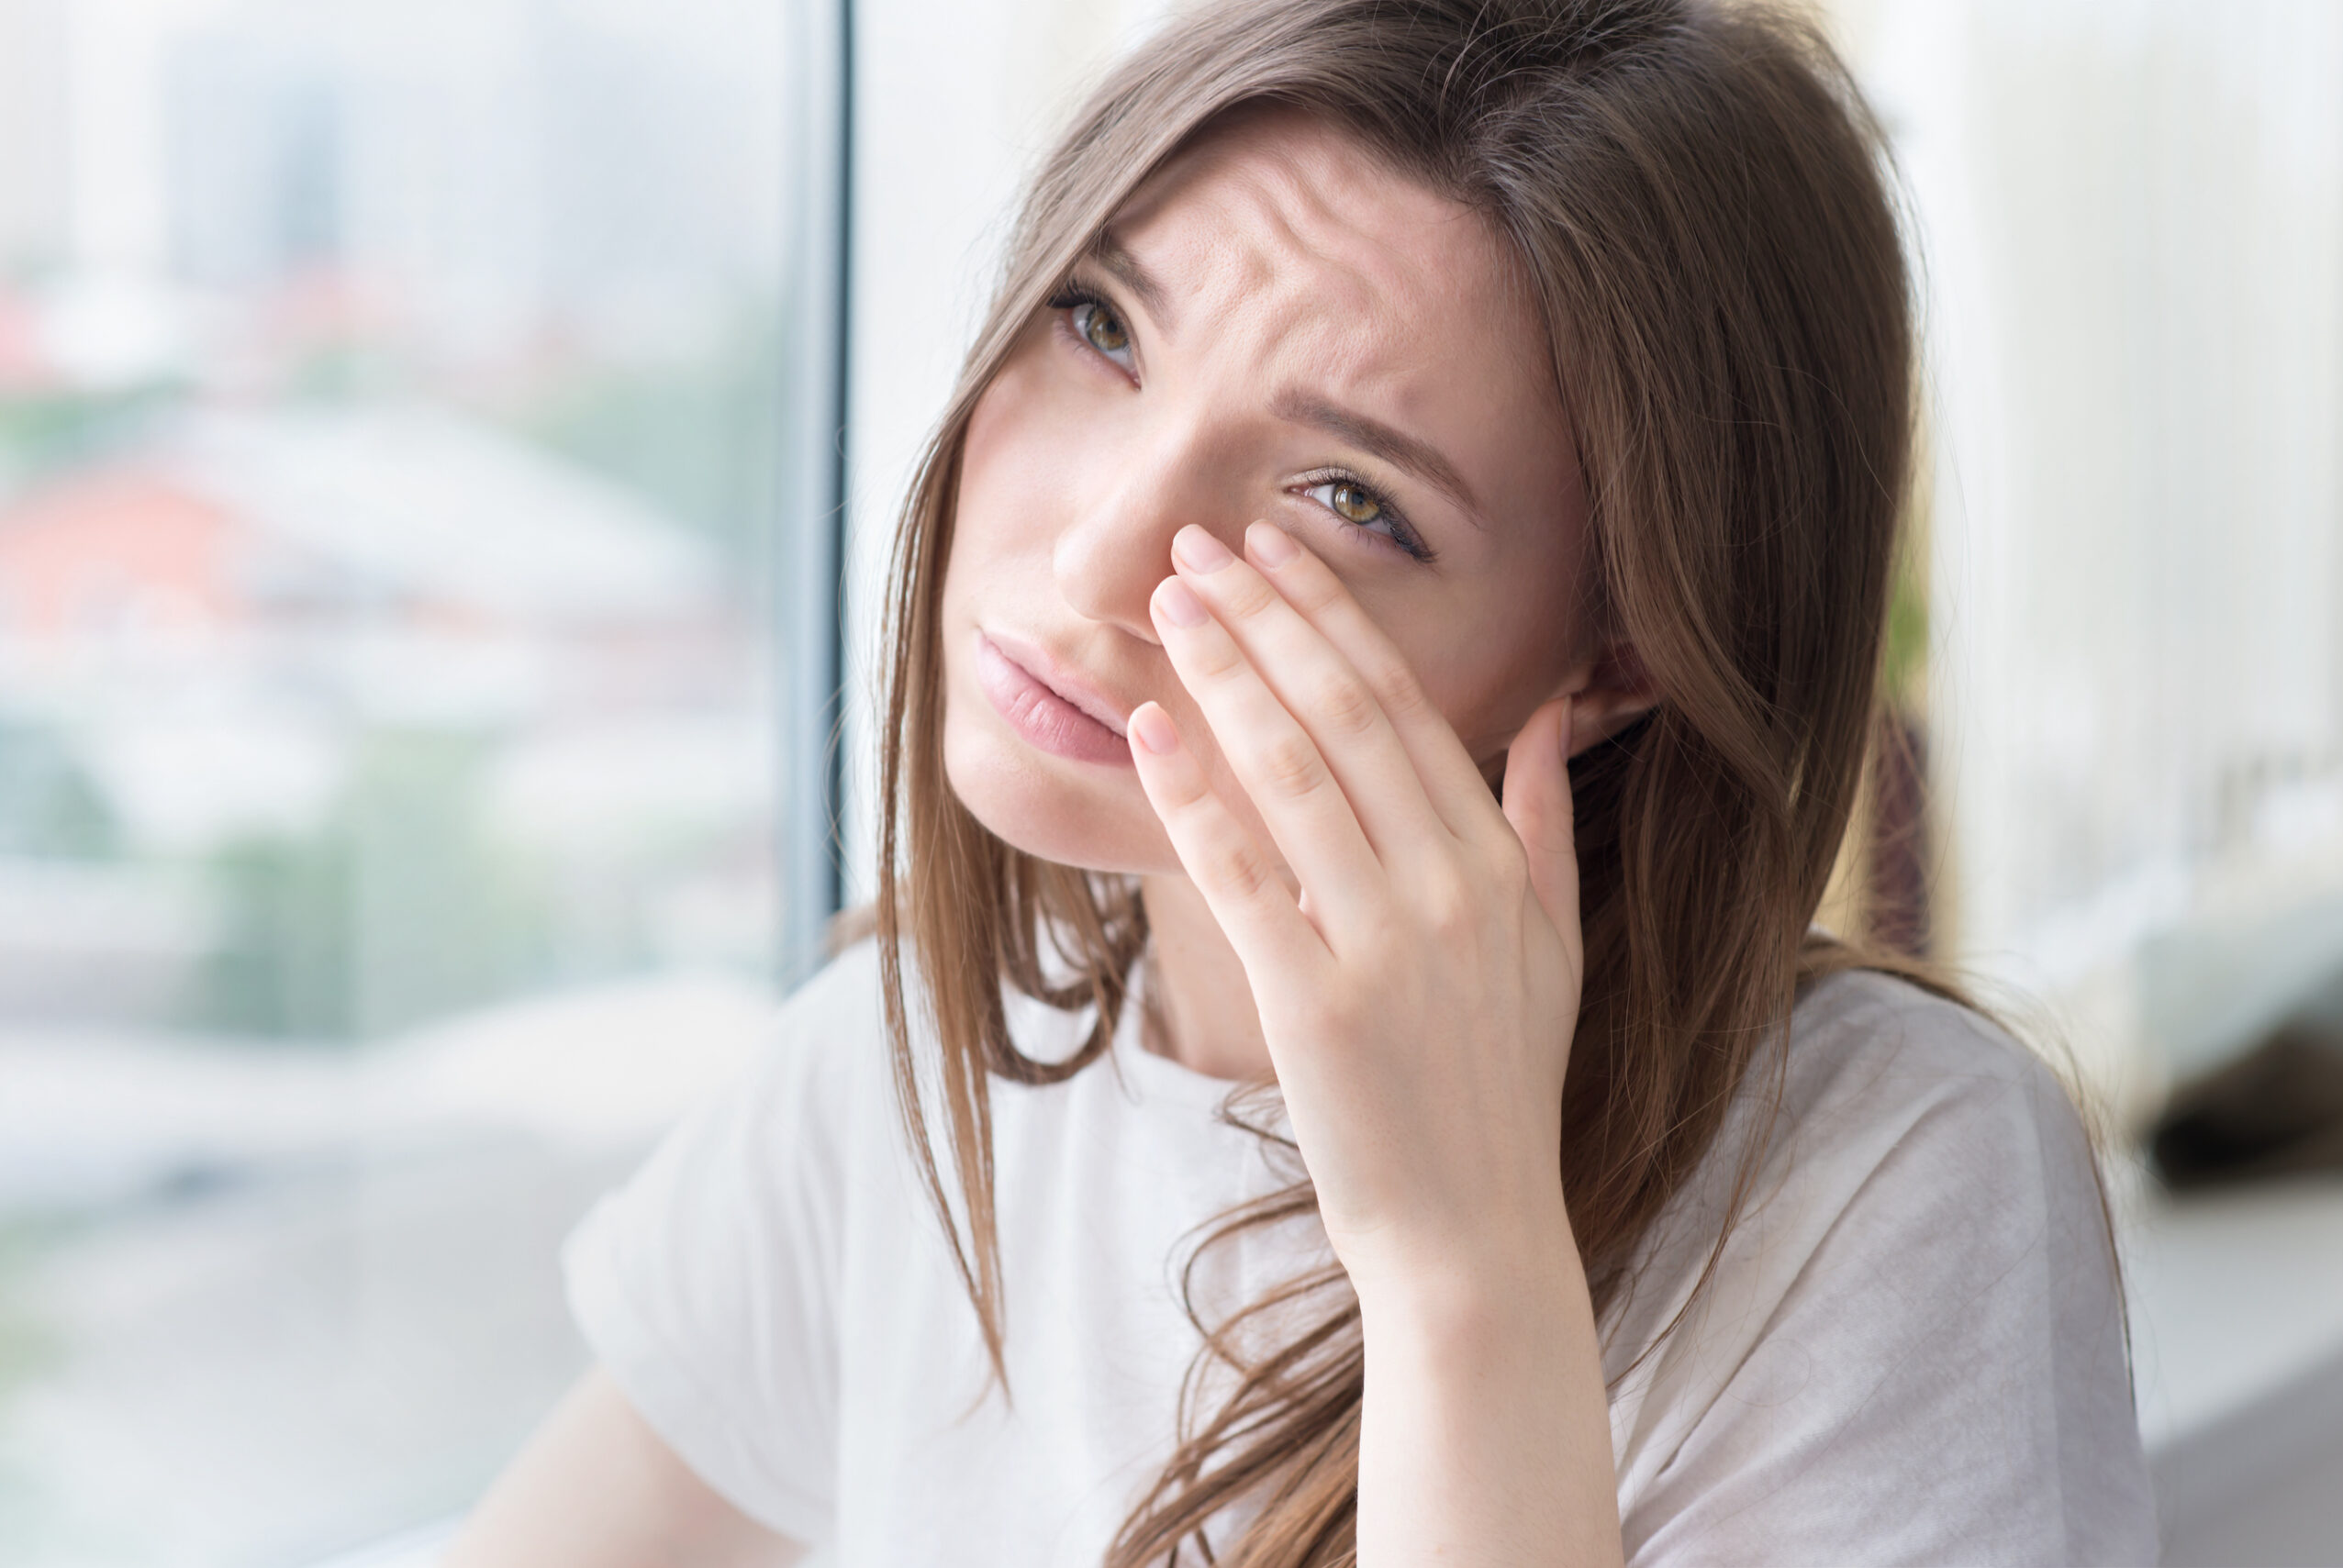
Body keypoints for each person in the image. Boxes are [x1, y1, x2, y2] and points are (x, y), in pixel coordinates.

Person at [449, 0, 2159, 1562]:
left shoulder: (1888, 1180)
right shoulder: (905, 1079)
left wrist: (1461, 1277)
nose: (1101, 552)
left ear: (1615, 658)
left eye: (1349, 499)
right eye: (1101, 323)